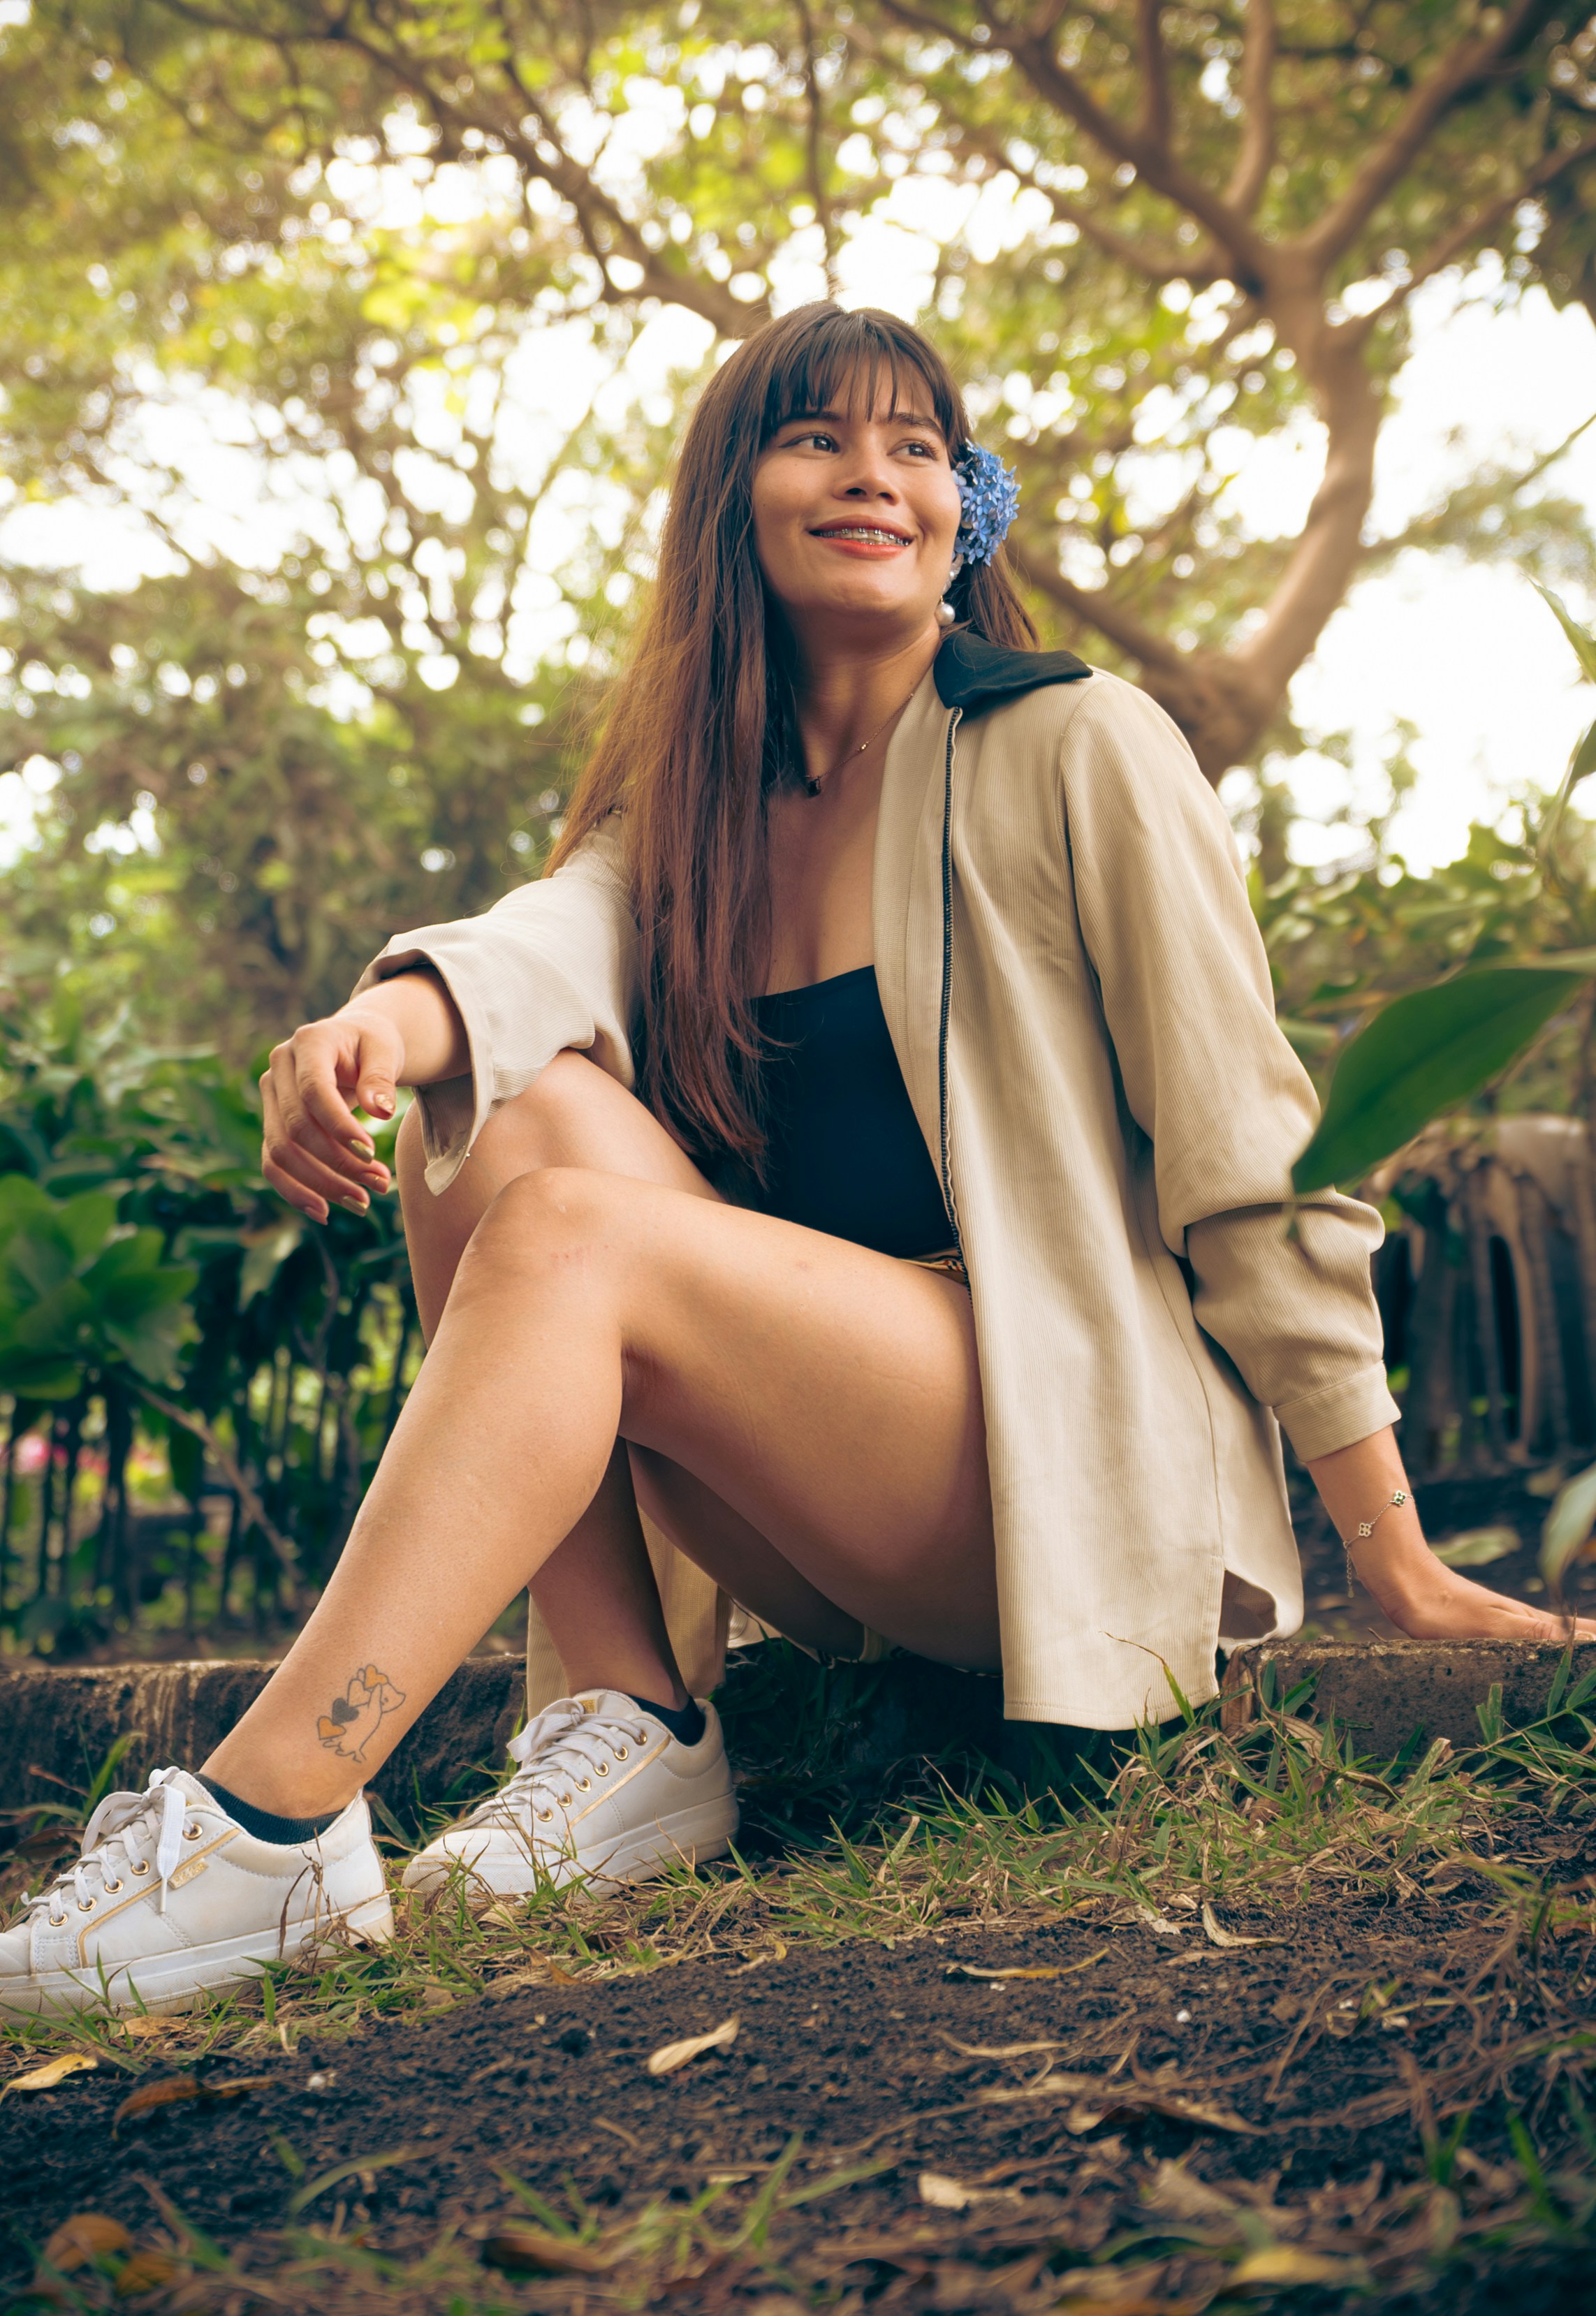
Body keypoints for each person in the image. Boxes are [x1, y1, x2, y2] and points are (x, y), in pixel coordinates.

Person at [1, 304, 1578, 2019]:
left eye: (917, 444)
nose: (874, 475)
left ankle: (267, 1825)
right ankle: (624, 1729)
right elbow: (539, 952)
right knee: (501, 1116)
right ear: (733, 500)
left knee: (566, 1240)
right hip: (829, 1481)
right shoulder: (690, 814)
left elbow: (1251, 1149)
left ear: (964, 507)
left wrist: (1389, 1546)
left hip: (1058, 1466)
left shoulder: (1077, 742)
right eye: (819, 436)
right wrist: (384, 1021)